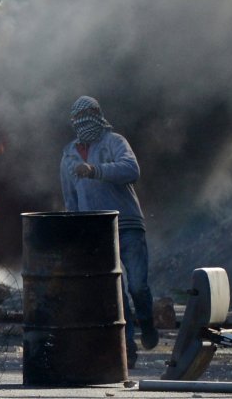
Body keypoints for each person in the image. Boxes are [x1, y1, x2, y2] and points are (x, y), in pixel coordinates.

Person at [60, 95, 159, 369]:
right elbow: (70, 197)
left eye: (89, 114)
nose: (84, 121)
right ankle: (128, 348)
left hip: (127, 224)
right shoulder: (68, 154)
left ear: (98, 115)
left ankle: (148, 324)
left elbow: (131, 169)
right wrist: (76, 230)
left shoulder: (115, 142)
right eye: (78, 117)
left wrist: (95, 170)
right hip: (96, 232)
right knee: (115, 293)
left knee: (137, 285)